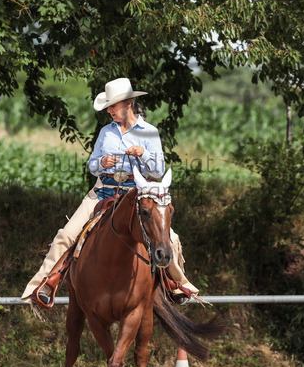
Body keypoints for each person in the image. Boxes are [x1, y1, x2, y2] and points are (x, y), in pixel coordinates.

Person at [21, 77, 200, 307]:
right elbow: (92, 164)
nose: (109, 110)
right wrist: (102, 162)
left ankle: (176, 284)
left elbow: (159, 170)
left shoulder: (149, 132)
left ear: (127, 104)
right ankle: (46, 283)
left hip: (136, 195)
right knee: (66, 234)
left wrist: (142, 153)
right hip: (103, 190)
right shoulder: (106, 131)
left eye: (112, 105)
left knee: (170, 238)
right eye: (108, 106)